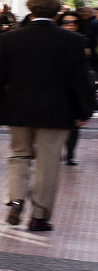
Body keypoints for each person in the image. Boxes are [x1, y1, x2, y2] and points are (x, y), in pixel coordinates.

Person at [0, 0, 95, 231]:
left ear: (30, 8)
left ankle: (16, 198)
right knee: (48, 162)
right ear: (58, 10)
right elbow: (80, 79)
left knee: (18, 154)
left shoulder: (11, 39)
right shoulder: (72, 41)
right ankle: (39, 216)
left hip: (18, 109)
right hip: (56, 112)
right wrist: (84, 110)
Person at [58, 10, 87, 165]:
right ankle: (57, 151)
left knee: (74, 124)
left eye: (74, 22)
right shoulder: (55, 40)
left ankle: (69, 155)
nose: (70, 25)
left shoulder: (83, 40)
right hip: (58, 87)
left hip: (75, 88)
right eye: (67, 22)